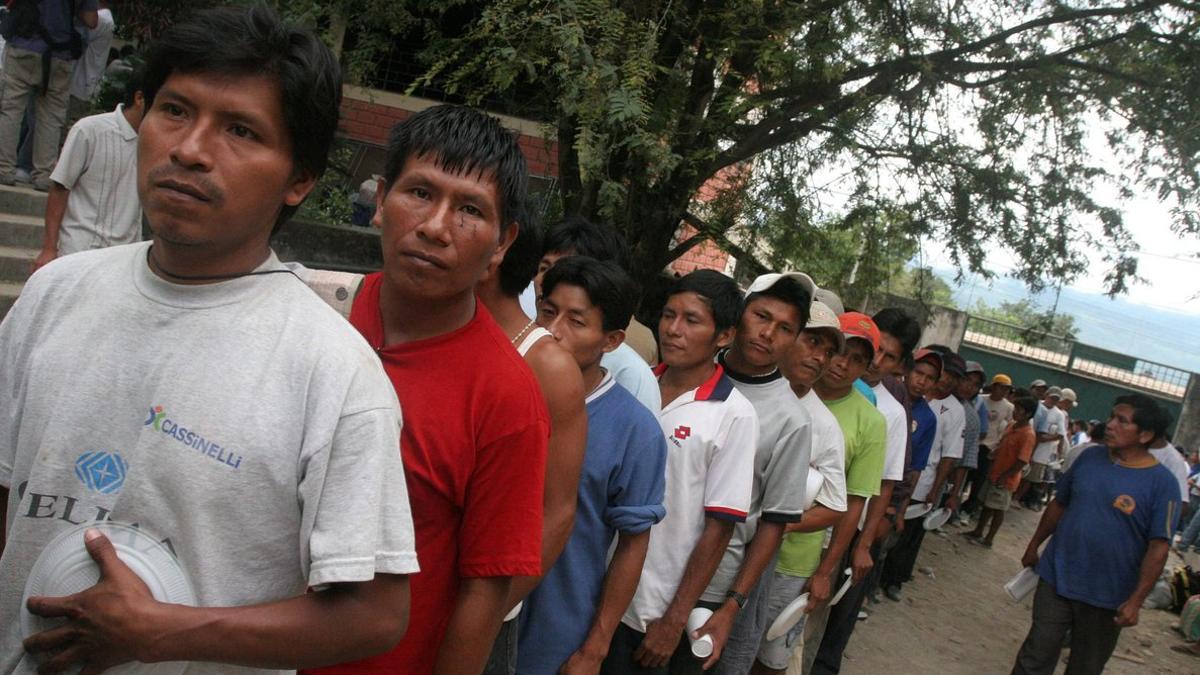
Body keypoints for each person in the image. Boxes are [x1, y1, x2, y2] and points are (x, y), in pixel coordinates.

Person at [0, 6, 418, 671]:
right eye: (175, 111)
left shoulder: (331, 371)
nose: (190, 149)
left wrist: (166, 632)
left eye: (241, 130)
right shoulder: (55, 294)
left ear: (300, 178)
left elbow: (375, 612)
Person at [314, 104, 550, 675]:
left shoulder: (507, 396)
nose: (436, 227)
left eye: (469, 209)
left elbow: (487, 588)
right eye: (419, 192)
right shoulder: (314, 322)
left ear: (501, 243)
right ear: (379, 201)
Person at [517, 256, 667, 675]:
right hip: (475, 606)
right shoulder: (504, 390)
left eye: (576, 321)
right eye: (548, 312)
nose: (553, 331)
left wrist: (595, 646)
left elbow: (634, 543)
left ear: (612, 339)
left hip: (554, 628)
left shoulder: (635, 431)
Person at [605, 270, 757, 675]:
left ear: (723, 336)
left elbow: (720, 526)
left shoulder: (734, 414)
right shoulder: (636, 385)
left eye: (691, 320)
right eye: (669, 315)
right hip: (596, 584)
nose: (673, 330)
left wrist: (675, 618)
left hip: (650, 607)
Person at [476, 213, 588, 674]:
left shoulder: (549, 365)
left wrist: (483, 613)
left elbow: (557, 512)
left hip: (479, 610)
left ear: (499, 249)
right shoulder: (440, 327)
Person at [695, 272, 814, 674]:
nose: (768, 334)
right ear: (741, 314)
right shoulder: (692, 369)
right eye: (762, 316)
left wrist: (733, 605)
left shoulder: (791, 420)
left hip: (711, 584)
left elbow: (773, 525)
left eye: (785, 329)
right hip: (646, 563)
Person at [1012, 394, 1181, 675]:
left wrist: (1136, 601)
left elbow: (1159, 548)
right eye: (1112, 416)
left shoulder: (1163, 484)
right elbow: (1058, 505)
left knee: (1085, 667)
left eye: (1122, 421)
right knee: (1035, 656)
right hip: (1057, 576)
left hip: (1108, 595)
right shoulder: (1090, 458)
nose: (1110, 424)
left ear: (1146, 434)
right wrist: (1034, 546)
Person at [810, 307, 918, 673]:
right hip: (794, 523)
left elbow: (882, 486)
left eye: (888, 356)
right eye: (878, 349)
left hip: (840, 530)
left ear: (898, 364)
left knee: (823, 624)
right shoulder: (808, 381)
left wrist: (863, 544)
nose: (878, 361)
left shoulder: (888, 412)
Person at [750, 301, 848, 675]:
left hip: (771, 562)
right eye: (812, 342)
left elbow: (835, 505)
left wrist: (776, 523)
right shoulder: (744, 388)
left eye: (828, 350)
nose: (820, 357)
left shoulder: (823, 425)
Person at [787, 312, 886, 675]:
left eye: (857, 359)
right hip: (747, 539)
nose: (842, 364)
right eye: (840, 351)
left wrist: (826, 570)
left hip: (806, 553)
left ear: (865, 369)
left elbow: (854, 503)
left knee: (783, 650)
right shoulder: (786, 387)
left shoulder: (870, 422)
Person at [533, 217, 661, 411]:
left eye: (576, 321)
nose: (546, 280)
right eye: (544, 268)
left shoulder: (632, 374)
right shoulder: (517, 339)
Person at [31, 66, 144, 272]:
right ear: (140, 98)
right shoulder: (89, 130)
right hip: (79, 251)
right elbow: (60, 188)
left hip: (123, 259)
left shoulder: (155, 144)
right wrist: (49, 248)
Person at [0, 0, 99, 189]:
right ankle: (44, 175)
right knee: (51, 119)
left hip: (23, 46)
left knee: (11, 109)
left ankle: (4, 170)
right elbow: (92, 20)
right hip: (60, 55)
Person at [878, 349, 944, 602]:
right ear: (907, 371)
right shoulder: (889, 397)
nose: (922, 381)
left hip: (891, 494)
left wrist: (900, 509)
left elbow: (916, 467)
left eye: (929, 378)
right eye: (918, 373)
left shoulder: (928, 418)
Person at [963, 393, 1038, 547]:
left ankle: (989, 539)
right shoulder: (1012, 426)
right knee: (987, 504)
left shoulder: (1028, 435)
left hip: (1006, 478)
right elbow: (1002, 443)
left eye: (1019, 409)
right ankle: (978, 531)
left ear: (1028, 414)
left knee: (998, 508)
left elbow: (1022, 460)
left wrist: (1006, 476)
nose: (1015, 411)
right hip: (995, 471)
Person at [65, 0, 115, 128]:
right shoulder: (105, 19)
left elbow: (76, 33)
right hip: (82, 87)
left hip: (79, 88)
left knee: (65, 132)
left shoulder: (102, 19)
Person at [1015, 386, 1064, 510]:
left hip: (1041, 452)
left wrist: (1043, 438)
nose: (1052, 401)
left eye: (1056, 399)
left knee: (1030, 476)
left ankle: (1016, 498)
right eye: (1051, 397)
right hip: (1025, 444)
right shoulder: (1036, 406)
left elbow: (1060, 434)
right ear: (1046, 395)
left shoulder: (1059, 415)